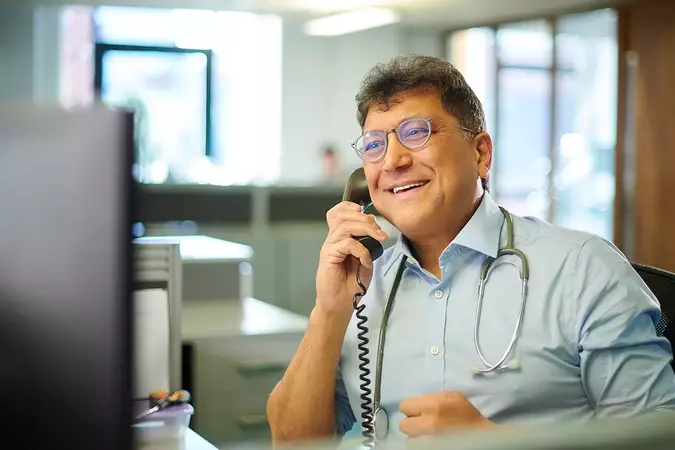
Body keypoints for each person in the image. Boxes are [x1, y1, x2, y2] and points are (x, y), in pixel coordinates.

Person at [266, 55, 675, 445]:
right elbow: (291, 443)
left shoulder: (584, 268)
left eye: (416, 132)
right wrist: (329, 310)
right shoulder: (362, 286)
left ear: (481, 153)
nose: (392, 160)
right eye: (374, 145)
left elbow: (656, 439)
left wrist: (494, 444)